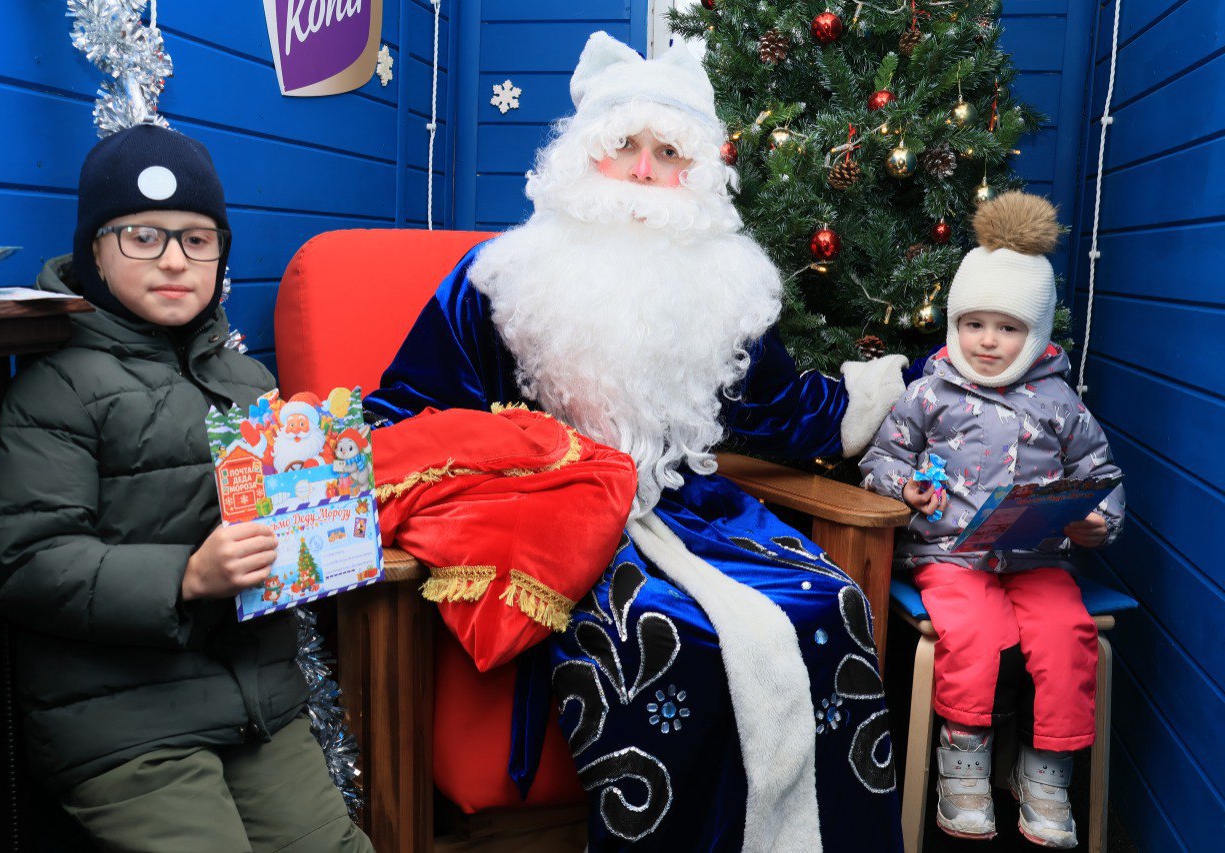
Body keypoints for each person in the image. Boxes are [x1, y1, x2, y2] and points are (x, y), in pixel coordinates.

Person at [364, 32, 911, 851]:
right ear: (584, 159)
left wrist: (871, 401)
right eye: (625, 147)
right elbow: (408, 406)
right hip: (563, 523)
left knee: (828, 601)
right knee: (667, 633)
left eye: (669, 152)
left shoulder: (723, 284)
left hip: (697, 510)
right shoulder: (505, 274)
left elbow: (779, 406)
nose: (647, 171)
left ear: (699, 174)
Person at [0, 123, 372, 852]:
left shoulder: (249, 382)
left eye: (197, 239)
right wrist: (187, 576)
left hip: (254, 703)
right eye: (141, 236)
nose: (173, 260)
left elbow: (282, 550)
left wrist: (320, 492)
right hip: (122, 723)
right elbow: (24, 562)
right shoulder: (56, 386)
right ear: (94, 247)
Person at [859, 191, 1125, 849]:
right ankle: (965, 763)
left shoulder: (1060, 401)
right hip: (950, 555)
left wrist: (1096, 521)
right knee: (971, 632)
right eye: (974, 323)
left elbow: (1102, 477)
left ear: (1034, 335)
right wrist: (905, 490)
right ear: (954, 324)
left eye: (1006, 328)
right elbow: (881, 459)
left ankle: (1046, 769)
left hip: (1037, 557)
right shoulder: (930, 391)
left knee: (1067, 632)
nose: (986, 340)